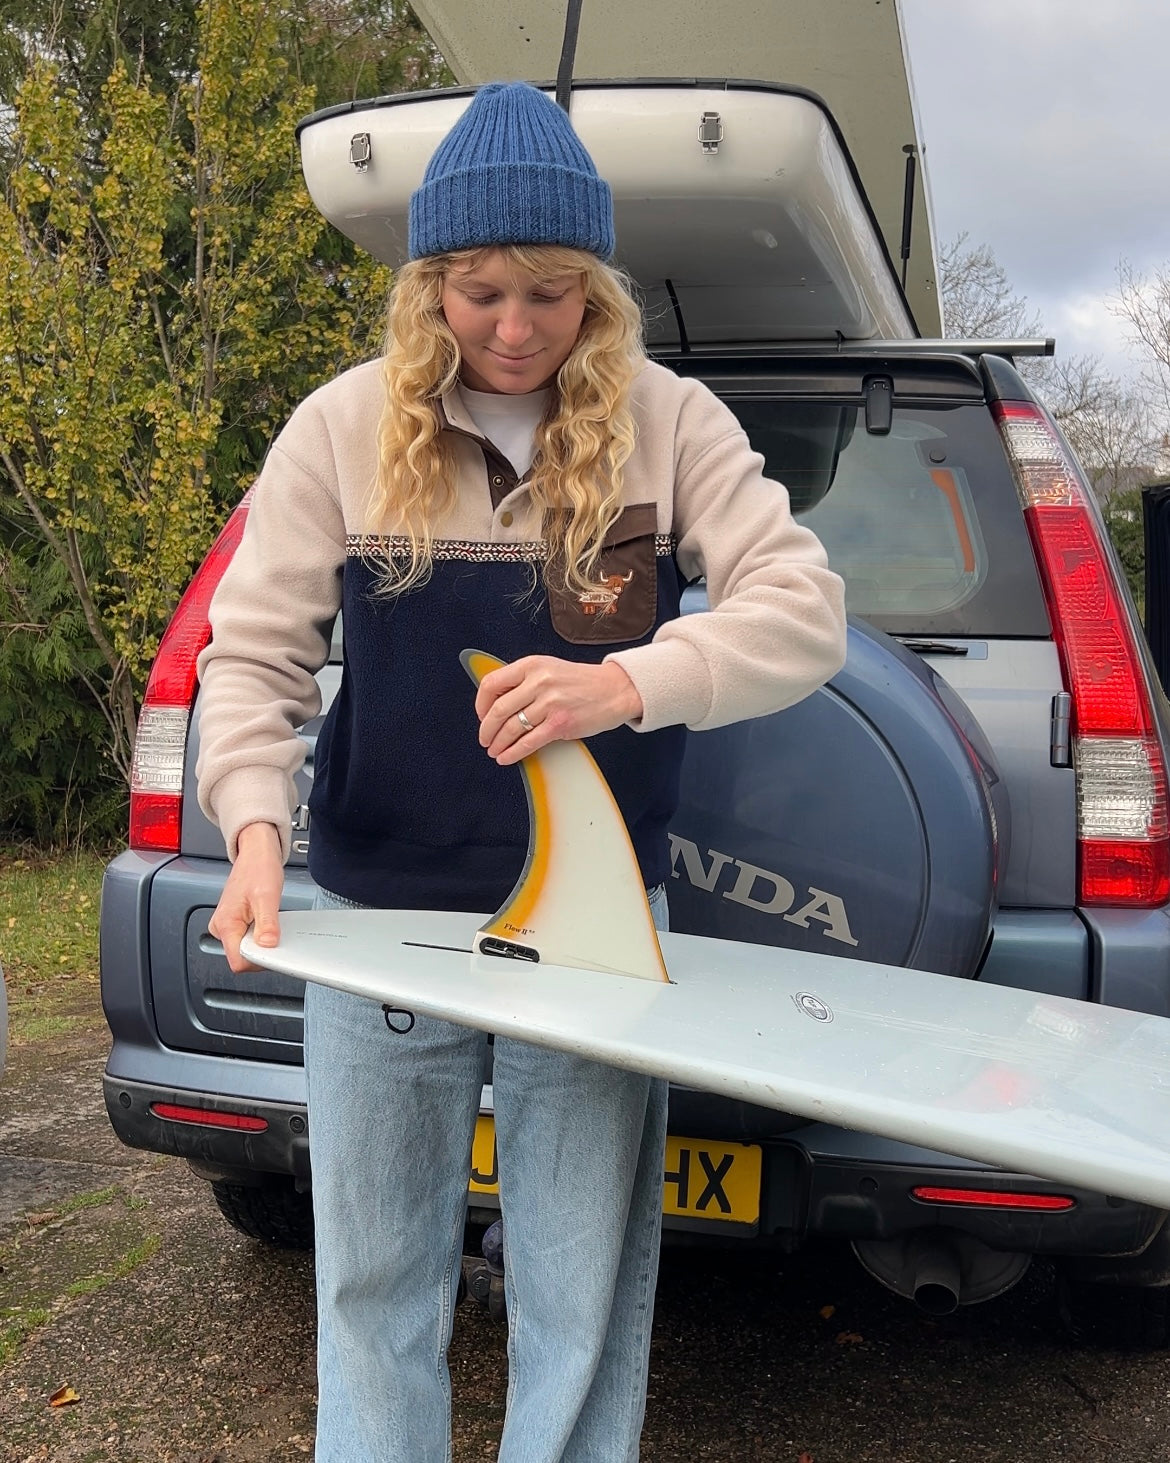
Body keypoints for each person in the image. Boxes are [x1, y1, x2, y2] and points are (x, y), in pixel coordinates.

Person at [196, 80, 847, 1463]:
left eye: (548, 294)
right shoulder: (338, 428)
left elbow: (801, 614)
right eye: (478, 291)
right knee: (372, 1279)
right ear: (428, 286)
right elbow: (249, 657)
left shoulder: (672, 424)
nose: (510, 328)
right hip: (381, 915)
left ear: (593, 293)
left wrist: (626, 681)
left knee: (579, 1289)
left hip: (595, 931)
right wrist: (255, 832)